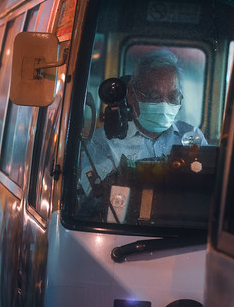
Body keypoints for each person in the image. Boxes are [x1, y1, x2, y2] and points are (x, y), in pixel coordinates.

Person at [78, 49, 207, 219]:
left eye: (173, 97)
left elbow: (206, 191)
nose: (164, 104)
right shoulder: (103, 143)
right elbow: (101, 203)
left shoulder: (191, 136)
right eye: (154, 96)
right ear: (131, 94)